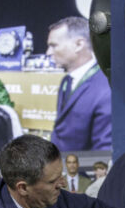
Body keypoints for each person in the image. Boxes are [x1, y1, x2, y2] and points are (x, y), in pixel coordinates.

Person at [48, 16, 112, 152]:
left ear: (79, 44)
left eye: (54, 46)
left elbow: (103, 151)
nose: (48, 52)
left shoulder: (105, 89)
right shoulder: (66, 81)